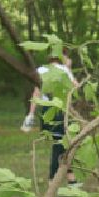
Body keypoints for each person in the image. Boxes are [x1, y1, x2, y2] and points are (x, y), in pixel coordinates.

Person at [23, 51, 75, 181]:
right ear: (62, 57)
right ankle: (53, 178)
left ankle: (71, 177)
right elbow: (76, 86)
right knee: (60, 143)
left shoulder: (41, 70)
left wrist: (31, 113)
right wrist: (69, 68)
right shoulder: (63, 70)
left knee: (64, 143)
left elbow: (36, 93)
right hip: (59, 109)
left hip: (46, 109)